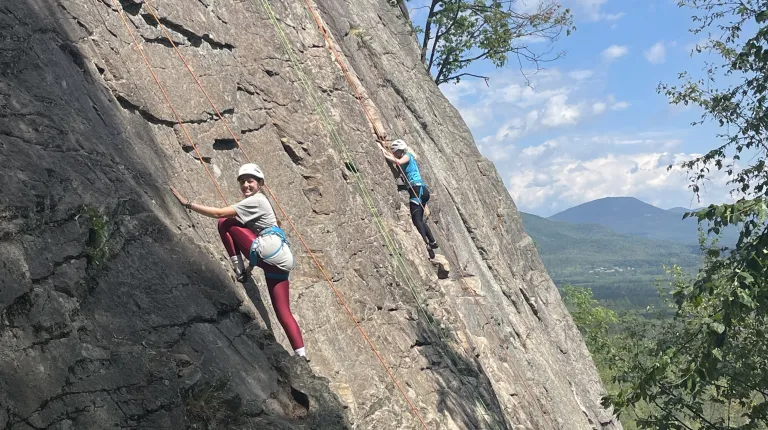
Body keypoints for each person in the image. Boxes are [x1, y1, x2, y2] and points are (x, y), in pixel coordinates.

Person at [169, 163, 306, 358]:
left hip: (269, 251)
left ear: (260, 184)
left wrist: (187, 203)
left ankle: (238, 269)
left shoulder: (256, 201)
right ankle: (301, 355)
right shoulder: (262, 203)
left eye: (250, 181)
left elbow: (219, 213)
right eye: (242, 182)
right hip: (281, 259)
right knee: (283, 311)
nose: (245, 185)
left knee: (225, 222)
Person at [380, 139, 439, 259]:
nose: (394, 153)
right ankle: (432, 242)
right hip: (420, 190)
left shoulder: (408, 156)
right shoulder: (406, 158)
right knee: (420, 219)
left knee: (416, 219)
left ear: (399, 150)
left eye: (395, 151)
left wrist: (382, 153)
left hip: (417, 190)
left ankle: (426, 243)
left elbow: (397, 161)